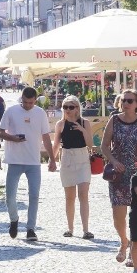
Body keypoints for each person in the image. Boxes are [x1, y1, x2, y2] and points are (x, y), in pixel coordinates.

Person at [101, 89, 137, 264]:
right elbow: (104, 146)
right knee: (118, 215)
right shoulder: (114, 120)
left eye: (130, 101)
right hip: (118, 173)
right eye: (123, 100)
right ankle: (123, 240)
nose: (125, 104)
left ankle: (132, 248)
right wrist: (113, 160)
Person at [0, 87, 56, 241]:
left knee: (34, 195)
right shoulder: (11, 111)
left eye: (31, 102)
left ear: (35, 100)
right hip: (14, 160)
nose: (28, 105)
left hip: (33, 161)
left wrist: (52, 158)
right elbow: (0, 132)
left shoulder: (40, 113)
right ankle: (14, 219)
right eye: (25, 102)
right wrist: (13, 138)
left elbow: (45, 137)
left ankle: (31, 228)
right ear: (21, 99)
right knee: (10, 196)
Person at [52, 95, 94, 239]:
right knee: (69, 197)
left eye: (71, 107)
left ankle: (86, 229)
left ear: (77, 108)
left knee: (83, 194)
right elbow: (56, 144)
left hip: (82, 158)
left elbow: (90, 144)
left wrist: (82, 130)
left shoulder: (85, 122)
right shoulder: (60, 124)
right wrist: (52, 160)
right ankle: (70, 228)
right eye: (65, 107)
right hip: (67, 158)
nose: (68, 110)